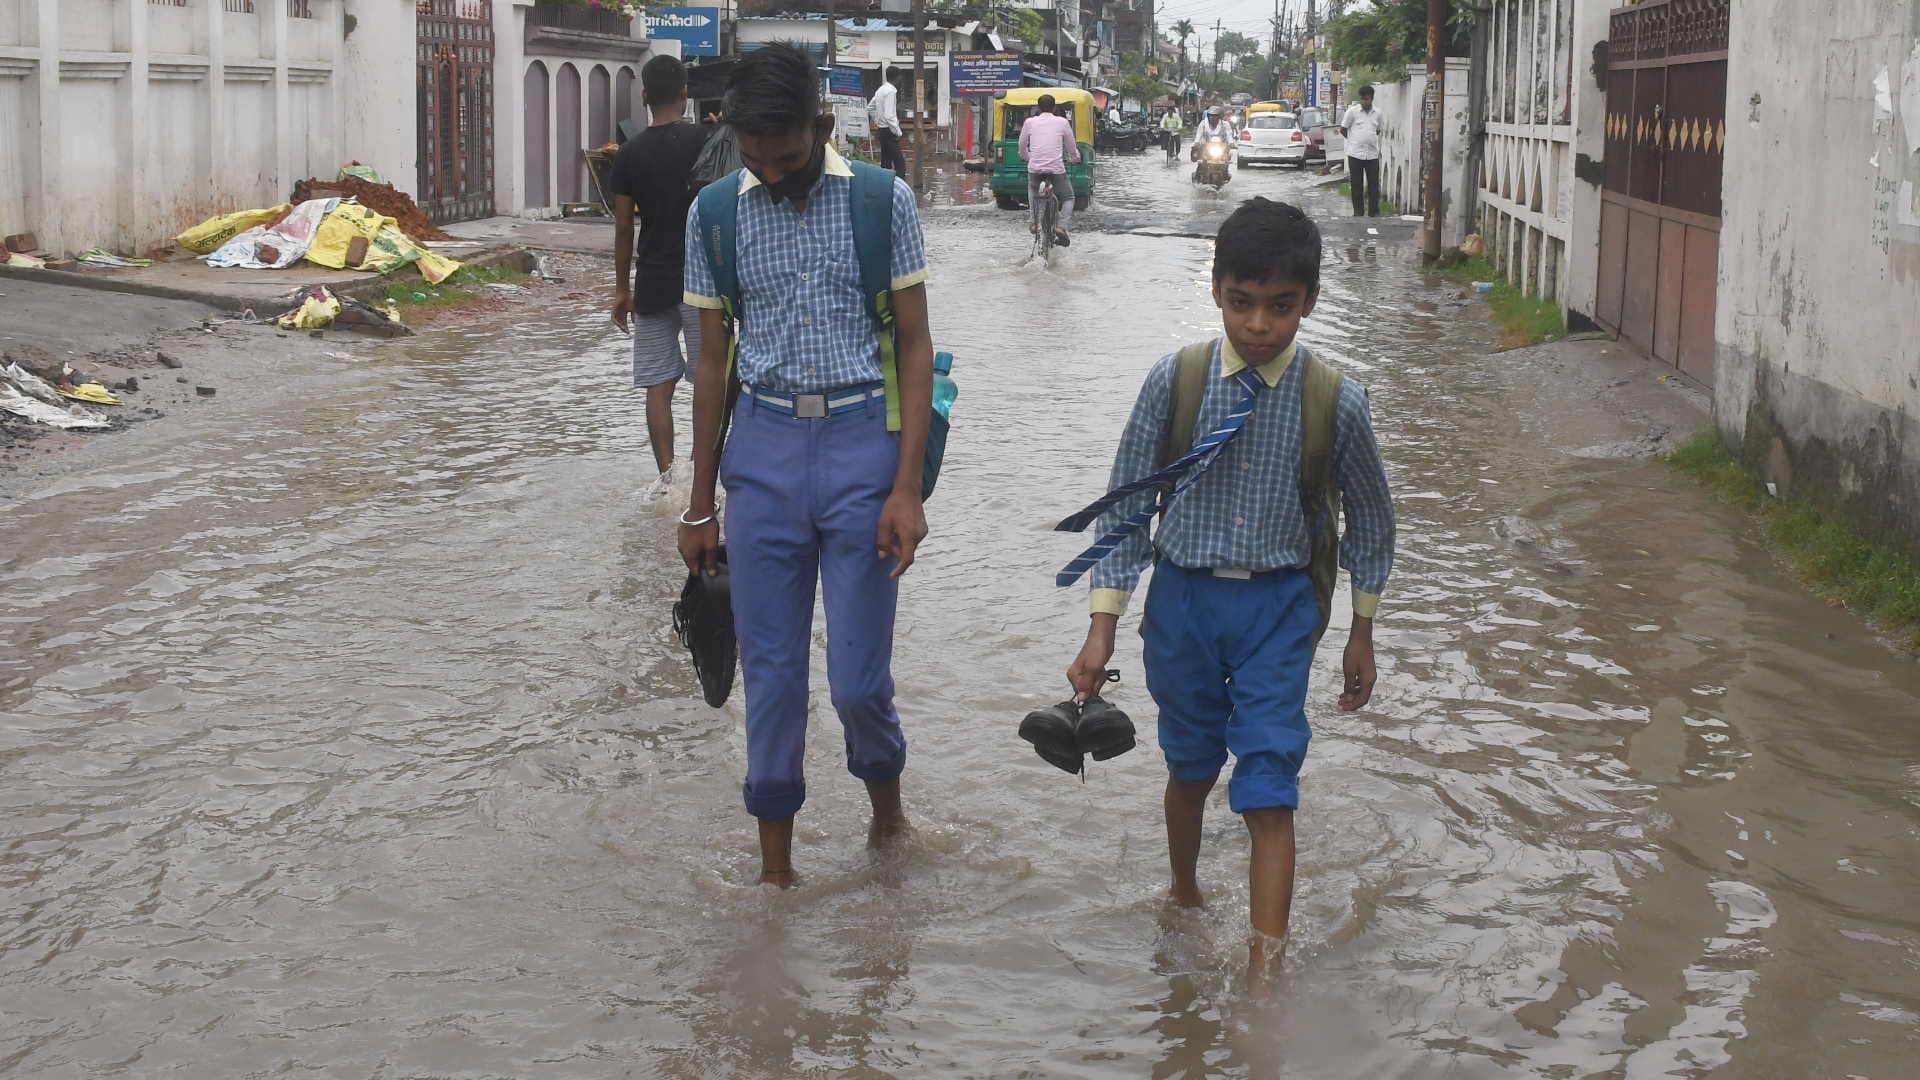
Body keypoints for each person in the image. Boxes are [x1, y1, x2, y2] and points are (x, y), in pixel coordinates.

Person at [1058, 197, 1395, 987]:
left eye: (1280, 307)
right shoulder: (1174, 383)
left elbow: (1373, 522)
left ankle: (1264, 975)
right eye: (1243, 303)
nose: (1259, 326)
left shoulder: (1335, 401)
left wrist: (1361, 629)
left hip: (1280, 609)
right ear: (1215, 290)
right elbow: (1128, 512)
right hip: (1182, 606)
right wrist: (1100, 631)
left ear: (1309, 302)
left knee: (1271, 785)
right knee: (1190, 767)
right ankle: (1183, 895)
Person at [680, 43, 935, 887]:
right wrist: (698, 503)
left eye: (787, 158)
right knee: (774, 676)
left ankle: (887, 823)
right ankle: (776, 879)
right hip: (762, 455)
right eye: (757, 160)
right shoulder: (712, 215)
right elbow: (711, 365)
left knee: (859, 681)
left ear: (822, 128)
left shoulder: (882, 201)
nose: (774, 175)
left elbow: (914, 341)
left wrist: (905, 487)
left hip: (864, 447)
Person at [608, 55, 712, 499]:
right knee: (709, 376)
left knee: (658, 383)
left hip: (651, 280)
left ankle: (667, 478)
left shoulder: (628, 153)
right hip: (701, 281)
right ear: (685, 93)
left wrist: (620, 289)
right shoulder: (705, 142)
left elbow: (624, 227)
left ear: (645, 96)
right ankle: (704, 476)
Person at [1018, 94, 1081, 247]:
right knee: (1069, 197)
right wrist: (1075, 157)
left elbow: (1021, 146)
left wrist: (1029, 158)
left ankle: (1034, 223)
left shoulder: (1029, 122)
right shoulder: (1062, 122)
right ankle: (1061, 227)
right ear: (1054, 108)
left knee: (1033, 191)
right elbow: (1071, 147)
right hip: (1056, 169)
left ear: (1038, 108)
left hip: (1035, 168)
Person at [1341, 85, 1383, 217]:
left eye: (1367, 99)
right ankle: (1358, 212)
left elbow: (1378, 130)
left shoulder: (1378, 113)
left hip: (1372, 155)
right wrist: (1354, 140)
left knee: (1373, 186)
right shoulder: (1352, 112)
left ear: (1371, 99)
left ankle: (1373, 212)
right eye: (1362, 99)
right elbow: (1343, 129)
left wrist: (1367, 139)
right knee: (1356, 186)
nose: (1364, 102)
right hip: (1355, 155)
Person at [869, 66, 908, 176]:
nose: (901, 80)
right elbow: (889, 115)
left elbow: (870, 107)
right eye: (900, 77)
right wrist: (898, 132)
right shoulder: (891, 91)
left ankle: (884, 189)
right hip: (889, 132)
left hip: (882, 131)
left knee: (885, 164)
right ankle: (899, 188)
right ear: (897, 77)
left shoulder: (880, 90)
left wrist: (878, 121)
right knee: (900, 164)